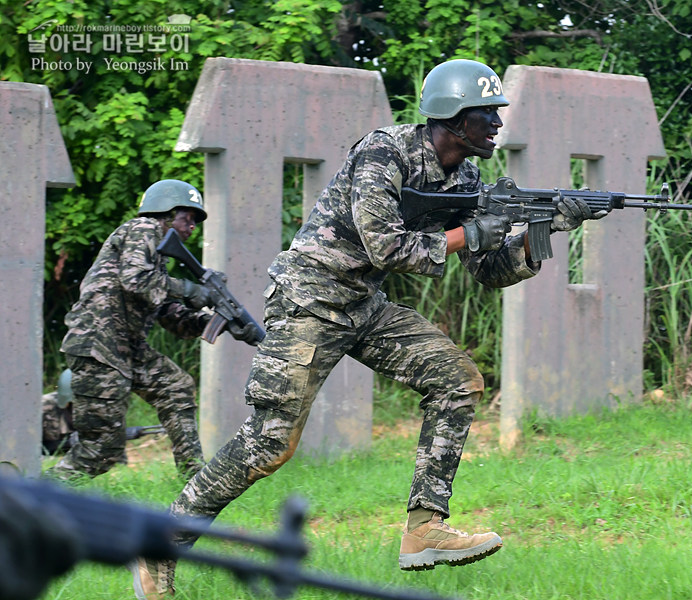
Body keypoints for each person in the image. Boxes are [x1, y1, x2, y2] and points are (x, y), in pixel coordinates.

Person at [132, 59, 605, 598]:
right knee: (269, 443)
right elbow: (387, 246)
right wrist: (470, 233)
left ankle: (424, 529)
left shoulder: (467, 177)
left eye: (499, 112)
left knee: (458, 380)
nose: (498, 123)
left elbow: (489, 273)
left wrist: (540, 231)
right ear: (453, 118)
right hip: (310, 300)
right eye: (487, 113)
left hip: (363, 304)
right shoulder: (385, 153)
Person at [44, 180, 216, 484]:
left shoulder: (158, 256)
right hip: (99, 345)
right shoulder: (143, 229)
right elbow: (135, 281)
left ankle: (195, 481)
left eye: (194, 220)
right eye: (186, 217)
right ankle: (25, 500)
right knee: (99, 451)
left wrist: (207, 321)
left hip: (125, 347)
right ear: (164, 213)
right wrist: (189, 289)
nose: (192, 226)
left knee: (176, 388)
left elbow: (164, 312)